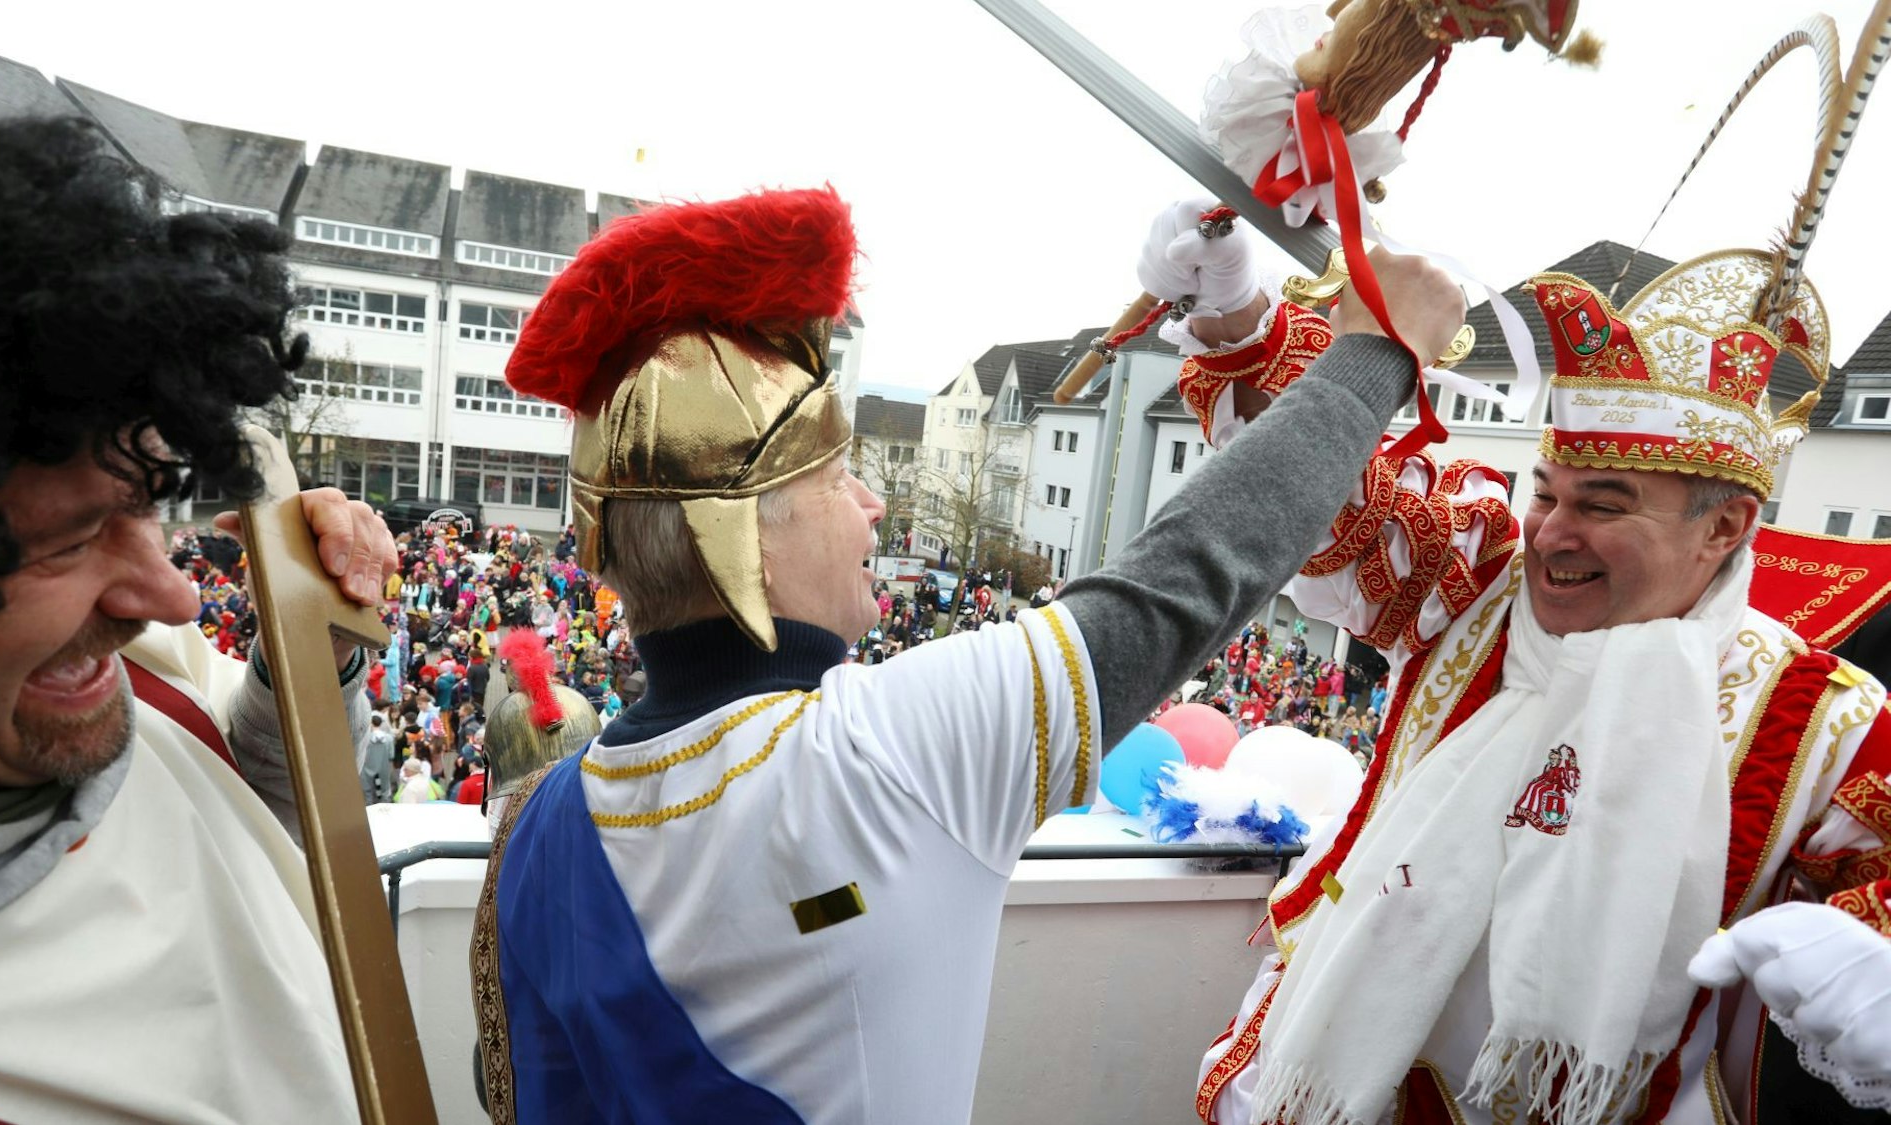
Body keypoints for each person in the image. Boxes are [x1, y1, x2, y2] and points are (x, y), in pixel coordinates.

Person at [470, 187, 1465, 1121]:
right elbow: (1195, 569)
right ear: (748, 536)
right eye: (837, 478)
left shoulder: (531, 828)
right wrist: (1375, 353)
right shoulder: (888, 750)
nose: (873, 506)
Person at [1196, 100, 1891, 1124]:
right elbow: (1328, 503)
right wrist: (1235, 322)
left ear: (1723, 527)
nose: (1552, 533)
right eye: (1545, 493)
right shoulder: (1479, 583)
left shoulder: (1822, 723)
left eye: (1603, 506)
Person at [0, 103, 397, 1122]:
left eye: (145, 507)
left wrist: (311, 650)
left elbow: (261, 800)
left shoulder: (116, 673)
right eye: (67, 541)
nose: (171, 594)